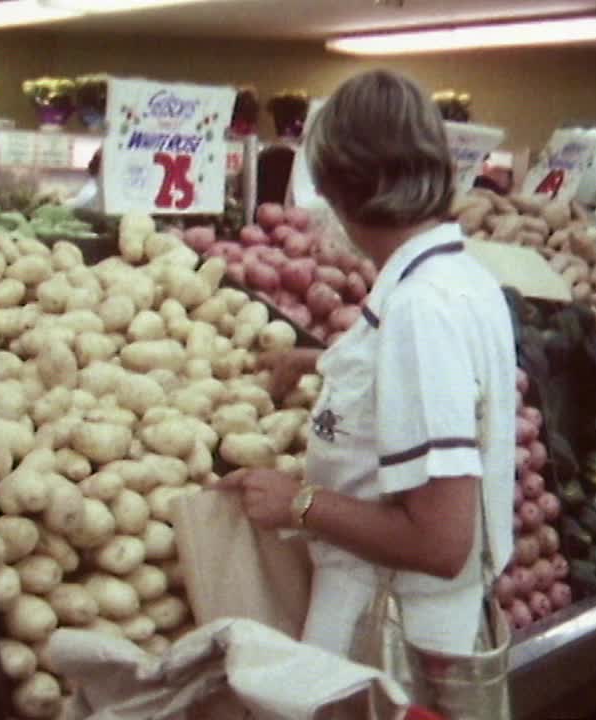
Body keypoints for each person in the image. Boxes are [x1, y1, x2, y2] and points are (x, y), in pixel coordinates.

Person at [218, 69, 516, 663]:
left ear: (340, 183)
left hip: (393, 644)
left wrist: (299, 502)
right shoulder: (461, 277)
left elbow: (440, 541)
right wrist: (325, 361)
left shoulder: (420, 310)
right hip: (428, 625)